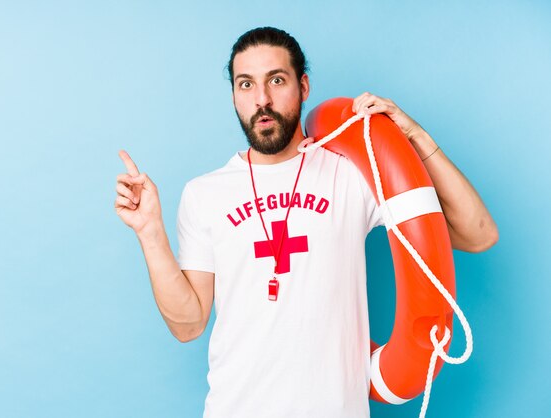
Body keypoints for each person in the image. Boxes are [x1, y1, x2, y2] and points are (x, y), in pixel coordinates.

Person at [114, 27, 498, 418]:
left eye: (276, 80)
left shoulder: (351, 174)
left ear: (304, 86)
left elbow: (478, 233)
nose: (261, 100)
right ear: (233, 94)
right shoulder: (204, 194)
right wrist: (150, 233)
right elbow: (188, 325)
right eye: (245, 84)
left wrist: (414, 136)